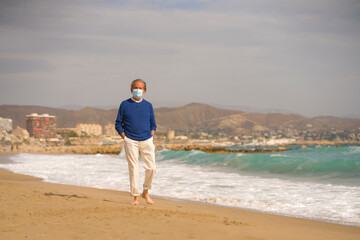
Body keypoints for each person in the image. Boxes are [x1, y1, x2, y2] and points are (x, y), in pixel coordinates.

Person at [115, 79, 157, 205]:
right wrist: (125, 137)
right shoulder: (124, 104)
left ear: (144, 91)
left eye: (140, 88)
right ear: (131, 89)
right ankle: (135, 197)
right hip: (130, 140)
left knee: (152, 168)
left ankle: (145, 192)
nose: (137, 90)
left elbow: (153, 124)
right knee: (134, 168)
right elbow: (118, 123)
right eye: (135, 87)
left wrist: (151, 135)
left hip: (146, 139)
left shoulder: (148, 105)